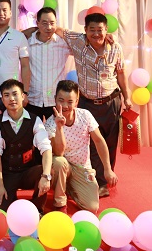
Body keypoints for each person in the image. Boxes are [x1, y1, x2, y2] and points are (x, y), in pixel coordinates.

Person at [51, 13, 131, 197]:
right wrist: (31, 30)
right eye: (92, 30)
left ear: (106, 30)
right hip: (87, 103)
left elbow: (121, 73)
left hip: (111, 101)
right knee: (91, 144)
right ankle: (93, 181)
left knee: (110, 142)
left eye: (100, 30)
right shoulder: (78, 41)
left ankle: (105, 178)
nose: (96, 34)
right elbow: (57, 29)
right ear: (85, 30)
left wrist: (127, 97)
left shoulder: (115, 47)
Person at [44, 80, 119, 213]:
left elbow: (99, 141)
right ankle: (60, 203)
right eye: (61, 100)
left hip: (82, 168)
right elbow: (59, 152)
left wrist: (108, 169)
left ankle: (70, 188)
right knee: (59, 162)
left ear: (77, 101)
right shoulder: (50, 123)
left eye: (70, 101)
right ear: (55, 99)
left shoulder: (85, 115)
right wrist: (59, 128)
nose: (65, 106)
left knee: (92, 207)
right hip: (62, 168)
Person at [0, 79, 52, 214]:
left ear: (23, 96)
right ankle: (11, 197)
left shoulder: (35, 120)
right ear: (2, 100)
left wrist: (46, 176)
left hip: (28, 172)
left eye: (15, 94)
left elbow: (46, 148)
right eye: (7, 95)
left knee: (45, 170)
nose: (11, 99)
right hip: (8, 174)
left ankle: (37, 209)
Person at [26, 7, 72, 121]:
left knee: (57, 131)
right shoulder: (27, 42)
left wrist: (108, 36)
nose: (49, 27)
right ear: (37, 23)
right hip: (32, 99)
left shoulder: (63, 43)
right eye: (44, 23)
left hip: (55, 101)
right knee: (32, 131)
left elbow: (84, 43)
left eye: (52, 23)